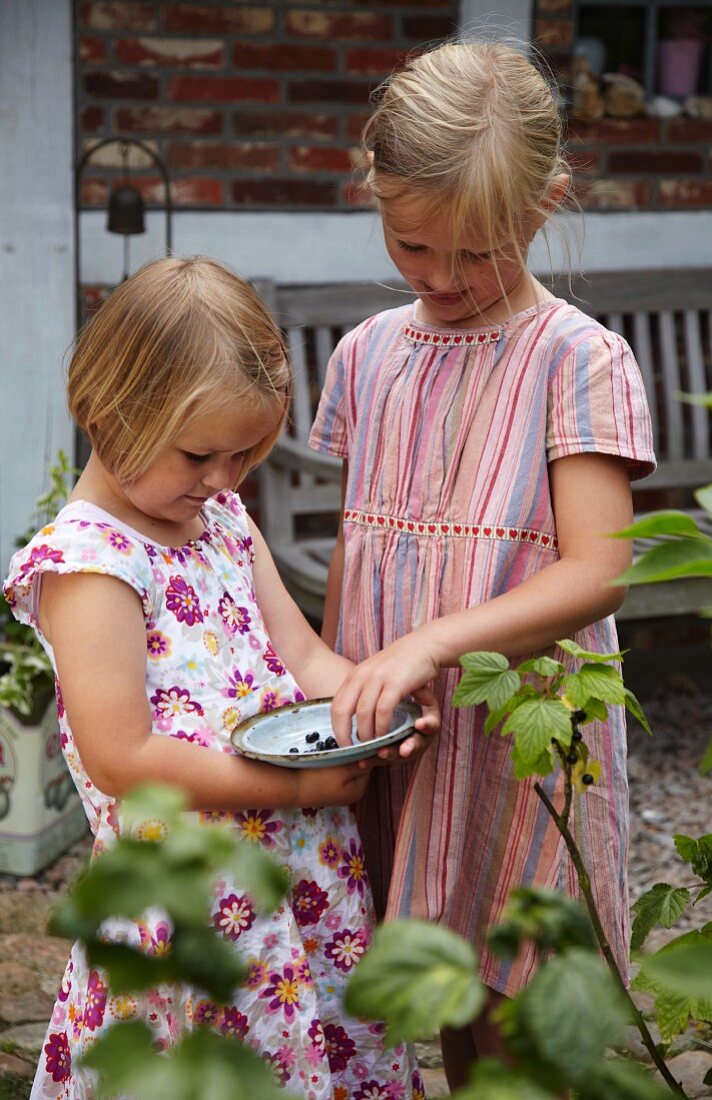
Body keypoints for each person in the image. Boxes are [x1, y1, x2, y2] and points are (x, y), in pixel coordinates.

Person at [3, 256, 439, 1100]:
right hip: (192, 903)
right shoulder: (92, 564)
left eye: (246, 456)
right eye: (200, 453)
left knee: (323, 1055)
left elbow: (303, 657)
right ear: (106, 409)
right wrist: (296, 791)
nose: (224, 480)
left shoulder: (220, 520)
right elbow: (121, 755)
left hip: (296, 883)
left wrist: (370, 701)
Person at [309, 40, 656, 1088]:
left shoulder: (574, 356)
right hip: (402, 740)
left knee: (514, 1013)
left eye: (481, 251)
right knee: (436, 991)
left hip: (516, 743)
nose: (444, 277)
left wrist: (431, 640)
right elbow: (354, 546)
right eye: (415, 244)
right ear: (371, 185)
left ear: (547, 202)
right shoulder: (366, 352)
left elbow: (598, 570)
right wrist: (326, 689)